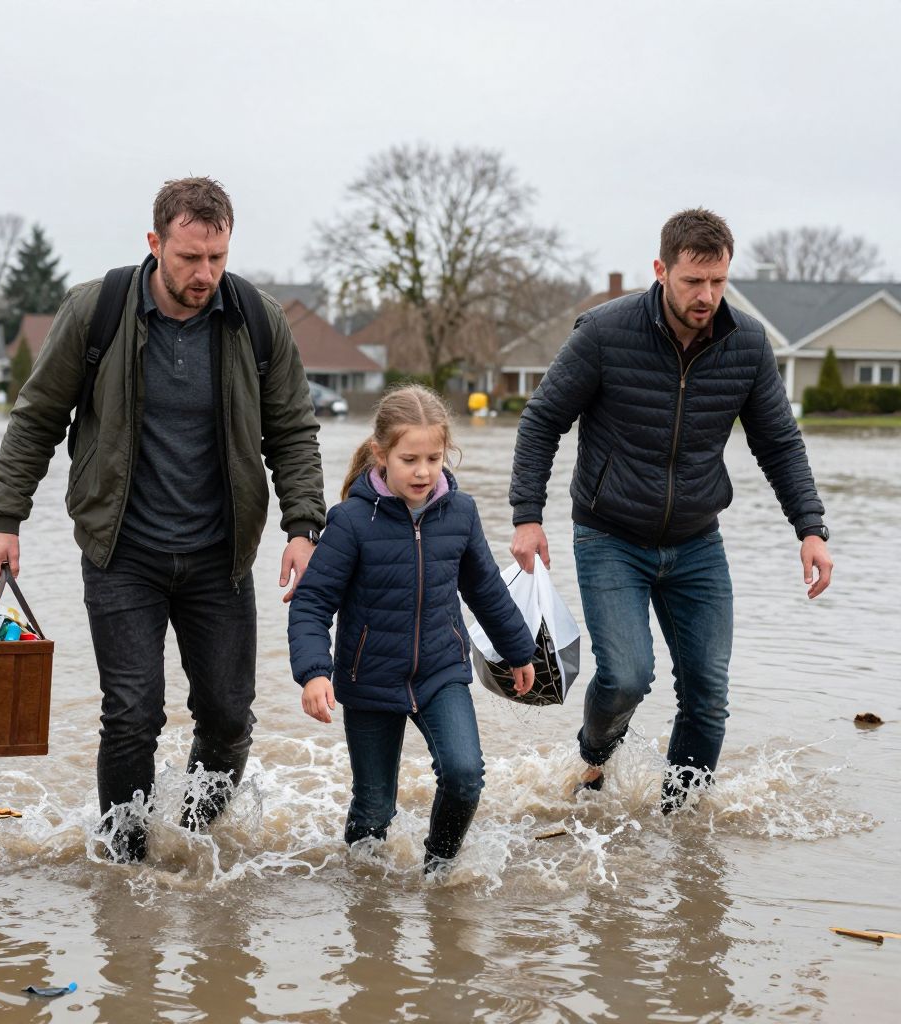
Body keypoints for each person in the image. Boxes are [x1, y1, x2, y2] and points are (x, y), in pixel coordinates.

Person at [0, 177, 325, 861]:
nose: (204, 274)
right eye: (189, 257)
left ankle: (190, 843)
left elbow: (292, 431)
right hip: (122, 551)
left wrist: (303, 525)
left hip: (220, 555)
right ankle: (126, 865)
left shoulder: (256, 320)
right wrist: (4, 517)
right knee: (132, 715)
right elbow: (37, 418)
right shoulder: (97, 310)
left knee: (228, 718)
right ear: (155, 244)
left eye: (217, 258)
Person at [508, 208, 833, 812]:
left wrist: (810, 528)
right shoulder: (605, 332)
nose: (706, 296)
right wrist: (528, 516)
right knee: (627, 677)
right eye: (693, 281)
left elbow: (779, 443)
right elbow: (542, 420)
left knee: (708, 693)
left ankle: (679, 823)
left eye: (718, 281)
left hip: (696, 540)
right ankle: (594, 757)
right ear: (661, 270)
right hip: (609, 535)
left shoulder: (747, 343)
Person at [288, 385, 537, 872]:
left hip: (441, 671)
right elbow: (312, 603)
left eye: (433, 458)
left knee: (465, 777)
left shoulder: (460, 513)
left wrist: (518, 650)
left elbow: (485, 588)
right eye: (409, 459)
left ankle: (438, 872)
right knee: (373, 809)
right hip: (369, 680)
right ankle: (365, 895)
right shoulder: (351, 522)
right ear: (380, 455)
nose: (423, 471)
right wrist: (314, 672)